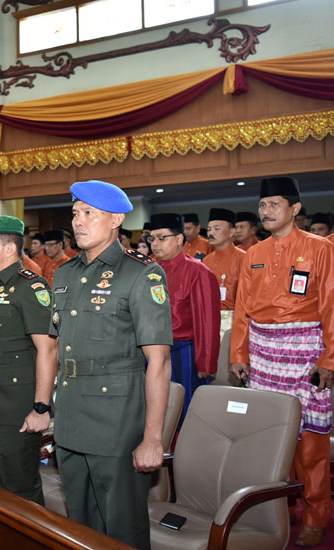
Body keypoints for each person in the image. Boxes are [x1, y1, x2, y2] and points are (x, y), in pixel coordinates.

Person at [52, 180, 172, 550]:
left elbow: (159, 362)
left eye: (89, 213)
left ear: (117, 219)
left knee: (122, 529)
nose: (78, 221)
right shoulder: (64, 273)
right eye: (75, 213)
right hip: (70, 416)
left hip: (116, 421)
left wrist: (153, 438)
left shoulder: (141, 273)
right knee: (80, 525)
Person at [230, 176, 334, 548]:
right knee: (272, 439)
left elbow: (331, 304)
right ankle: (276, 510)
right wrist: (239, 353)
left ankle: (317, 514)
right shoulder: (253, 254)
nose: (266, 211)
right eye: (262, 205)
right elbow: (242, 308)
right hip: (262, 353)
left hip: (306, 352)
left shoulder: (320, 248)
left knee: (311, 442)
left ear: (295, 209)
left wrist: (330, 359)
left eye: (274, 204)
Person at [0, 215, 56, 504]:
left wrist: (41, 408)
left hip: (16, 409)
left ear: (9, 249)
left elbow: (48, 349)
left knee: (21, 492)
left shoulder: (31, 287)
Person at [150, 212, 220, 425]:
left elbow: (208, 322)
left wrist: (206, 362)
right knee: (155, 408)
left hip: (184, 353)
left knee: (185, 410)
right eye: (151, 239)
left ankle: (185, 453)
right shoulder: (147, 271)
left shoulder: (198, 271)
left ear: (179, 238)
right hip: (151, 352)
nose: (155, 244)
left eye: (162, 238)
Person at [202, 208, 246, 337]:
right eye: (209, 229)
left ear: (232, 232)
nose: (211, 233)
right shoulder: (206, 260)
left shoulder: (244, 258)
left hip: (234, 318)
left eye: (217, 229)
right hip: (210, 317)